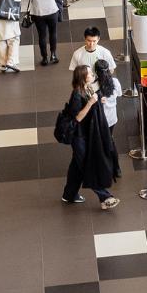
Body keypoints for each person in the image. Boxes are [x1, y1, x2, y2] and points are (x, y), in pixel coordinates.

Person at [60, 64, 120, 209]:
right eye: (90, 74)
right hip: (79, 137)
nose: (93, 75)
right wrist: (91, 103)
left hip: (86, 134)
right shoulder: (76, 94)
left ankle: (69, 194)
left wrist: (99, 101)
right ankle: (105, 197)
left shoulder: (87, 88)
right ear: (83, 77)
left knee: (77, 166)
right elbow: (77, 118)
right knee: (87, 166)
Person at [27, 0, 65, 65]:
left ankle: (44, 58)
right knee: (53, 33)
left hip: (38, 14)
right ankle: (53, 55)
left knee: (42, 36)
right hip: (52, 12)